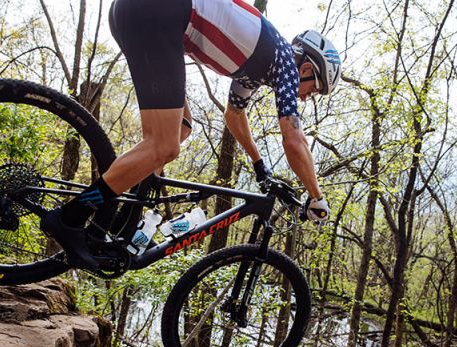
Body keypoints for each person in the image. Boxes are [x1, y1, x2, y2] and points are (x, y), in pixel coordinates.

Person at [41, 0, 342, 270]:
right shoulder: (285, 61)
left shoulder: (260, 65)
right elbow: (294, 139)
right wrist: (316, 197)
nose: (306, 97)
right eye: (314, 89)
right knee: (164, 145)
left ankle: (119, 220)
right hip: (160, 14)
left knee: (181, 128)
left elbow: (234, 116)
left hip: (139, 14)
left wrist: (260, 167)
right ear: (306, 68)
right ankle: (71, 217)